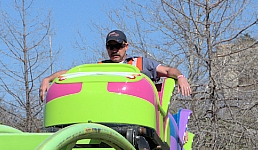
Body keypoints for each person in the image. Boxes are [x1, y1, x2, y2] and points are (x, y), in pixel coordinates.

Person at [39, 29, 192, 101]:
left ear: (126, 46)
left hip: (138, 108)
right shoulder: (101, 67)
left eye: (118, 46)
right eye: (110, 47)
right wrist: (48, 79)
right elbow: (71, 72)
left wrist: (180, 77)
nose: (114, 50)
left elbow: (167, 70)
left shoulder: (141, 63)